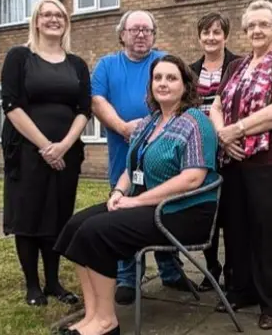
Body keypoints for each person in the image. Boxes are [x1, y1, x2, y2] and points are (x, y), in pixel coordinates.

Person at [54, 55, 219, 335]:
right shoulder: (148, 122)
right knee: (75, 227)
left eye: (171, 78)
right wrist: (119, 191)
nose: (163, 84)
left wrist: (135, 201)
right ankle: (92, 315)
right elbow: (133, 168)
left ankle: (106, 323)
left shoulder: (195, 122)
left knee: (98, 232)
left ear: (185, 85)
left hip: (183, 212)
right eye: (158, 78)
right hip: (146, 206)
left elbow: (193, 179)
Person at [209, 0, 272, 330]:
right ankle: (243, 289)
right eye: (251, 26)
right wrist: (223, 134)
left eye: (264, 24)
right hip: (235, 160)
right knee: (237, 229)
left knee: (269, 232)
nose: (256, 30)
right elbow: (217, 106)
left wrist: (237, 129)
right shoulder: (236, 66)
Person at [90, 10, 194, 305]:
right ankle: (127, 277)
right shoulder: (107, 65)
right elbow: (97, 101)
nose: (140, 34)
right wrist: (124, 128)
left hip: (163, 160)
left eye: (147, 30)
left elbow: (176, 97)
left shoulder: (163, 61)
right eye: (134, 29)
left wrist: (150, 129)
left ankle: (171, 271)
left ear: (154, 35)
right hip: (123, 158)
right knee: (122, 211)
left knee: (163, 210)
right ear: (121, 34)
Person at [0, 0, 89, 307]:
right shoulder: (19, 57)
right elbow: (11, 105)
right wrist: (44, 146)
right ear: (36, 21)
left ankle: (53, 283)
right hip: (26, 152)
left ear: (66, 22)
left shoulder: (76, 63)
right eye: (47, 14)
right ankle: (32, 286)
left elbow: (84, 109)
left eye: (60, 15)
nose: (54, 19)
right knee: (29, 215)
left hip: (67, 154)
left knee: (59, 217)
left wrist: (63, 145)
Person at [189, 12, 240, 292]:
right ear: (199, 37)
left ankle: (233, 274)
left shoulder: (238, 65)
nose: (211, 37)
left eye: (217, 32)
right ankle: (212, 268)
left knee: (231, 216)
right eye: (206, 32)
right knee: (206, 211)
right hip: (200, 153)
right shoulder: (190, 70)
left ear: (226, 36)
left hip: (229, 150)